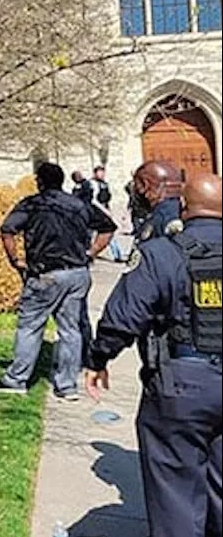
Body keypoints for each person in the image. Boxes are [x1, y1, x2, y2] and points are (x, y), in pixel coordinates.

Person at [84, 173, 222, 537]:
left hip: (183, 385)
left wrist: (99, 359)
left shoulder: (163, 253)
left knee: (176, 494)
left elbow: (124, 315)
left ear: (184, 207)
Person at [0, 162, 116, 401]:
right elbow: (108, 227)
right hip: (77, 273)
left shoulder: (33, 204)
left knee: (30, 326)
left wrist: (16, 260)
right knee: (70, 329)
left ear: (40, 182)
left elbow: (7, 230)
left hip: (46, 274)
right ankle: (67, 386)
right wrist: (91, 252)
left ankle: (17, 379)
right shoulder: (78, 204)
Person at [132, 160, 184, 243]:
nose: (137, 190)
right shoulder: (183, 210)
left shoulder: (161, 218)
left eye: (137, 185)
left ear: (146, 185)